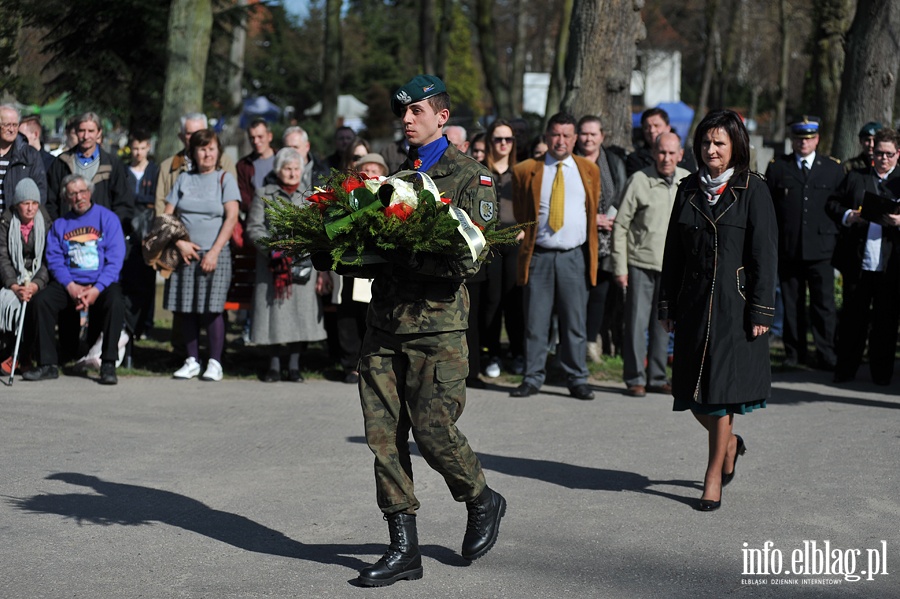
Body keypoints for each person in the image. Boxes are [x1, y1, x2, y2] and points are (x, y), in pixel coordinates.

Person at [353, 74, 505, 587]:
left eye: (416, 110)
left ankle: (481, 498)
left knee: (434, 431)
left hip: (436, 328)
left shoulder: (472, 178)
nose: (407, 119)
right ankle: (404, 548)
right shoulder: (394, 179)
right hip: (384, 326)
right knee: (384, 438)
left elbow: (470, 259)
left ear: (442, 116)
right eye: (403, 112)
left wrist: (406, 250)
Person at [658, 109, 777, 511]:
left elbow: (765, 254)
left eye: (719, 143)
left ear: (735, 147)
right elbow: (673, 253)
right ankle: (730, 443)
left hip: (734, 307)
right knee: (692, 393)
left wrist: (761, 310)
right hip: (693, 305)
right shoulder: (688, 188)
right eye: (706, 143)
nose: (711, 150)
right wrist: (667, 303)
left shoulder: (753, 189)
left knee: (720, 394)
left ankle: (712, 477)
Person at [509, 112, 599, 400]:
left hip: (574, 256)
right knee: (536, 321)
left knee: (575, 322)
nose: (561, 141)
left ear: (574, 139)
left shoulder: (588, 170)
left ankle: (577, 377)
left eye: (567, 135)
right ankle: (533, 376)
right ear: (546, 137)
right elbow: (522, 213)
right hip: (540, 256)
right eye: (556, 134)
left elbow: (592, 210)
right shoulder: (526, 170)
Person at [24, 174, 127, 385]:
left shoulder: (108, 219)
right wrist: (71, 287)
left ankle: (107, 363)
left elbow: (115, 260)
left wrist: (96, 289)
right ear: (66, 198)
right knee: (41, 301)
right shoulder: (60, 225)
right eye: (72, 193)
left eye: (82, 191)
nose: (79, 197)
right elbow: (54, 260)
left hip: (100, 284)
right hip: (70, 284)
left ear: (89, 192)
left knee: (116, 300)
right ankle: (47, 364)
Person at [613, 132, 689, 397]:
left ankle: (657, 377)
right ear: (654, 153)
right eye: (661, 152)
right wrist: (620, 267)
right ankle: (635, 377)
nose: (666, 158)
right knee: (636, 323)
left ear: (680, 154)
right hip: (640, 263)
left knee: (665, 323)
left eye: (671, 153)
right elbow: (621, 225)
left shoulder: (687, 181)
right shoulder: (640, 180)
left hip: (673, 268)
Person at [765, 117, 842, 370]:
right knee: (792, 304)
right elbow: (770, 208)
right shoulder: (778, 168)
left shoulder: (832, 169)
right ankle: (794, 354)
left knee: (824, 305)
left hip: (822, 249)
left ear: (817, 139)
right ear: (792, 140)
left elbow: (838, 205)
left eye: (808, 138)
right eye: (799, 138)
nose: (803, 143)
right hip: (790, 248)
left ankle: (826, 354)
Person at [245, 148, 328, 382]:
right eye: (287, 168)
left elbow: (319, 229)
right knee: (274, 315)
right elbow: (254, 227)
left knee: (300, 315)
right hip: (272, 265)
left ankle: (294, 366)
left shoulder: (310, 196)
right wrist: (272, 248)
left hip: (302, 265)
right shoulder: (264, 193)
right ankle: (273, 366)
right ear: (278, 170)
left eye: (295, 168)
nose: (292, 173)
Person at [163, 129, 239, 382]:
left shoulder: (224, 179)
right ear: (193, 152)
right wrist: (179, 242)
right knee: (186, 308)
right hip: (185, 253)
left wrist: (215, 252)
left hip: (215, 253)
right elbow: (167, 215)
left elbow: (231, 218)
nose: (207, 153)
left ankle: (215, 362)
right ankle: (192, 360)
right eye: (202, 148)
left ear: (218, 151)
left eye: (211, 148)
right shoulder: (183, 179)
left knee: (212, 309)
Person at [826, 127, 900, 385]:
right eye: (880, 153)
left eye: (889, 154)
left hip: (890, 264)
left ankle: (881, 374)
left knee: (886, 321)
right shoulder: (856, 177)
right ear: (872, 153)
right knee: (852, 319)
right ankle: (846, 370)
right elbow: (832, 204)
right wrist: (850, 215)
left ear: (898, 154)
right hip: (858, 261)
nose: (884, 159)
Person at [577, 115, 626, 363]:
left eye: (593, 134)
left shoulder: (613, 162)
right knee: (576, 293)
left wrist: (609, 218)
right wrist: (590, 219)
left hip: (606, 239)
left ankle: (591, 341)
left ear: (602, 137)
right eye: (584, 133)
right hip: (577, 239)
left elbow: (621, 192)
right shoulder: (570, 162)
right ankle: (571, 342)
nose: (588, 138)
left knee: (599, 293)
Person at [479, 119, 523, 378]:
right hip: (490, 244)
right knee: (492, 301)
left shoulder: (521, 171)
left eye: (508, 139)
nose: (504, 144)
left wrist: (525, 229)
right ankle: (492, 353)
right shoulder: (481, 171)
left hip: (516, 242)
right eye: (498, 139)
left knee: (515, 301)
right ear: (490, 142)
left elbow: (533, 204)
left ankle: (518, 352)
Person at [46, 112, 133, 228]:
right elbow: (50, 201)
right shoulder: (61, 163)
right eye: (82, 131)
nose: (86, 136)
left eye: (91, 131)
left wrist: (109, 227)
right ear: (76, 132)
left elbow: (123, 203)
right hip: (68, 232)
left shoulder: (112, 164)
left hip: (102, 233)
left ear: (99, 133)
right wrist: (60, 226)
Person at [0, 179, 50, 374]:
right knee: (8, 301)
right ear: (17, 204)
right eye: (25, 203)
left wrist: (36, 284)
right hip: (14, 278)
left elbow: (49, 258)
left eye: (34, 203)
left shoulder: (46, 223)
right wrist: (13, 285)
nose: (30, 209)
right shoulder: (5, 223)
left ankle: (22, 356)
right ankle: (13, 353)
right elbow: (3, 257)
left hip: (37, 280)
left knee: (36, 304)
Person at [155, 113, 237, 216]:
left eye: (200, 132)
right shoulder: (167, 167)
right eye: (189, 133)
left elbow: (232, 205)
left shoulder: (224, 162)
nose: (195, 137)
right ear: (181, 136)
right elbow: (160, 206)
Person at [122, 129, 160, 339]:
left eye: (142, 148)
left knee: (148, 276)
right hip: (128, 231)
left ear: (148, 148)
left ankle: (146, 322)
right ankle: (129, 321)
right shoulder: (125, 171)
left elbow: (155, 199)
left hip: (148, 230)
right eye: (135, 148)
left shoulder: (154, 171)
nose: (138, 152)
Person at [0, 104, 47, 210]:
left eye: (15, 125)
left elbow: (40, 193)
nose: (11, 130)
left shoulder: (30, 156)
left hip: (16, 223)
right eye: (7, 125)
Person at [626, 107, 695, 177]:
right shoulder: (636, 159)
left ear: (668, 128)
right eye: (647, 127)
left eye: (656, 126)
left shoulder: (686, 157)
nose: (652, 130)